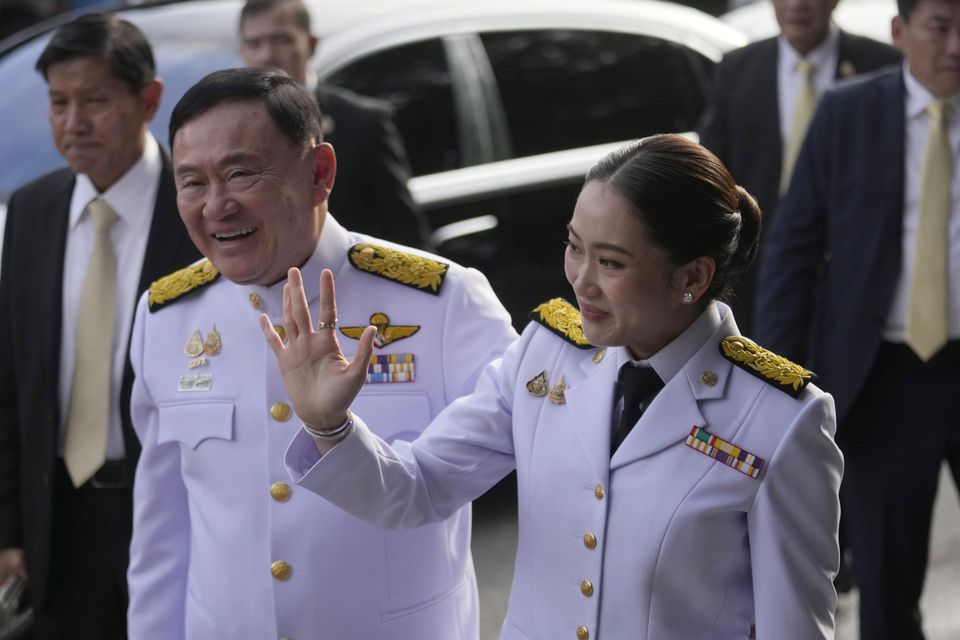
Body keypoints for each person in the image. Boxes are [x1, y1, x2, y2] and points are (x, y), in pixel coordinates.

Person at [269, 134, 844, 639]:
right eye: (574, 247)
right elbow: (417, 488)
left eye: (611, 263)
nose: (580, 281)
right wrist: (330, 427)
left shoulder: (781, 420)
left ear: (692, 276)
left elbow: (794, 627)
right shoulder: (544, 355)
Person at [125, 67, 516, 639]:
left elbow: (504, 460)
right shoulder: (166, 316)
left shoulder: (441, 300)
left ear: (320, 172)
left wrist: (337, 435)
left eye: (241, 174)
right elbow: (163, 530)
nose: (216, 206)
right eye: (191, 183)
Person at [755, 0, 960, 636]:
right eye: (941, 27)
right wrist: (776, 378)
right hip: (888, 379)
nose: (956, 46)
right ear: (899, 31)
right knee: (887, 578)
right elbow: (792, 249)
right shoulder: (849, 114)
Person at [0, 13, 200, 639]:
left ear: (148, 100)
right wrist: (11, 530)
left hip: (173, 509)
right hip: (59, 515)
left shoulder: (198, 209)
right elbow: (11, 382)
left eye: (94, 101)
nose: (72, 123)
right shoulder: (31, 211)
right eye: (58, 104)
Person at [698, 0, 900, 334]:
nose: (797, 4)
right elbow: (712, 169)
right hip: (758, 265)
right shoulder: (738, 68)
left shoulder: (880, 64)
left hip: (854, 266)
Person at [238, 0, 431, 249]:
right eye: (254, 43)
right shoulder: (233, 132)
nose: (267, 55)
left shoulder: (363, 123)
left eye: (281, 40)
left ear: (311, 44)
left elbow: (406, 235)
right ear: (242, 51)